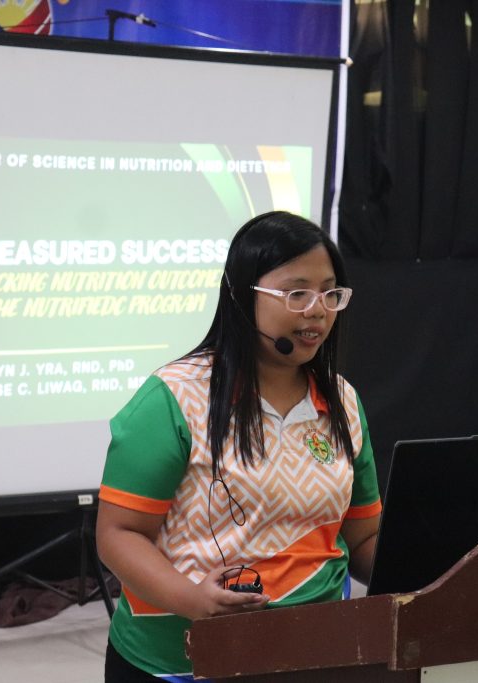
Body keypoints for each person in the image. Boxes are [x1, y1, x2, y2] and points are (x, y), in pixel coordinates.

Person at [97, 211, 381, 681]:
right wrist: (195, 601)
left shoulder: (342, 399)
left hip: (315, 652)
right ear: (241, 294)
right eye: (296, 293)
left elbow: (363, 538)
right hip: (181, 661)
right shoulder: (175, 397)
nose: (317, 311)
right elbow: (118, 534)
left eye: (330, 293)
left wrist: (440, 573)